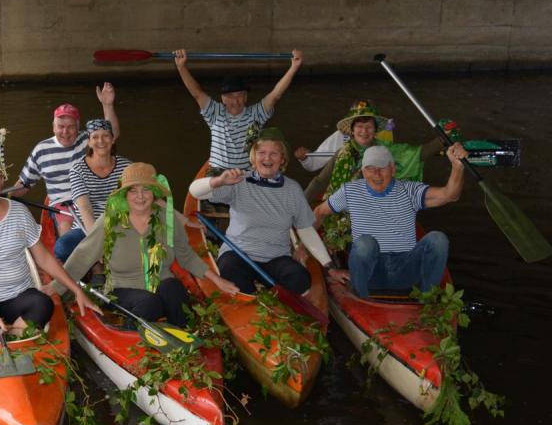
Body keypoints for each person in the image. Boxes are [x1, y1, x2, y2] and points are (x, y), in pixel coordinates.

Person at [0, 130, 98, 339]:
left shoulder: (19, 212)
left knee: (43, 305)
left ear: (3, 178)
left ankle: (12, 336)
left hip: (16, 295)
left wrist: (76, 289)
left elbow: (43, 258)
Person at [60, 163, 239, 328]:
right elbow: (83, 256)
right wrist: (56, 288)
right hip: (122, 288)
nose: (140, 196)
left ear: (154, 192)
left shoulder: (166, 217)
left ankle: (184, 335)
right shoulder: (110, 220)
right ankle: (131, 337)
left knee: (174, 287)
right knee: (149, 302)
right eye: (133, 190)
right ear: (124, 194)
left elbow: (186, 255)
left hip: (161, 283)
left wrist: (218, 280)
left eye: (146, 189)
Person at [188, 127, 334, 295]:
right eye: (261, 152)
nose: (267, 158)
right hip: (238, 254)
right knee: (231, 272)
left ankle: (271, 300)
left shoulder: (293, 189)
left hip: (276, 258)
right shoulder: (238, 181)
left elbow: (306, 229)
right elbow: (195, 191)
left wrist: (328, 266)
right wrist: (219, 181)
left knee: (300, 279)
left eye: (274, 153)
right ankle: (250, 300)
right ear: (253, 157)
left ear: (282, 159)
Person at [313, 143, 469, 298]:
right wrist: (325, 264)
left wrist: (457, 166)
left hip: (404, 270)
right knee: (365, 243)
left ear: (393, 169)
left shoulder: (410, 190)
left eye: (382, 167)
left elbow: (450, 195)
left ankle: (428, 299)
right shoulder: (349, 191)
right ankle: (360, 298)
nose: (376, 174)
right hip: (370, 273)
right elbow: (319, 212)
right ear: (363, 171)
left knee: (438, 239)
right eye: (370, 168)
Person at [300, 101, 444, 249]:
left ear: (375, 130)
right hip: (346, 211)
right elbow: (320, 181)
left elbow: (414, 155)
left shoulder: (386, 150)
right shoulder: (342, 154)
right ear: (352, 130)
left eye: (369, 126)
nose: (364, 131)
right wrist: (299, 205)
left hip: (380, 207)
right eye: (359, 126)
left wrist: (441, 140)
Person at [9, 83, 121, 236]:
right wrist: (5, 195)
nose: (65, 132)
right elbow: (24, 184)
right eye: (60, 126)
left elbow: (112, 134)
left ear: (78, 127)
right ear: (53, 127)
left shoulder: (87, 140)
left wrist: (107, 105)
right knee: (66, 229)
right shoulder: (41, 150)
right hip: (63, 204)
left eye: (70, 127)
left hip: (91, 197)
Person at [174, 48, 305, 172]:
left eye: (240, 95)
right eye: (230, 96)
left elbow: (275, 95)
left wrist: (294, 67)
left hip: (246, 173)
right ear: (223, 99)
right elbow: (197, 93)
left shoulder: (256, 114)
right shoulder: (215, 112)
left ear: (246, 97)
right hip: (218, 172)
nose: (236, 101)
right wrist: (181, 67)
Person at [55, 118, 131, 261]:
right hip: (87, 226)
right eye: (95, 137)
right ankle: (94, 264)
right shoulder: (77, 170)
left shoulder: (127, 167)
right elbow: (85, 209)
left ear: (112, 139)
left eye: (106, 136)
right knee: (62, 248)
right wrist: (98, 244)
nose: (101, 141)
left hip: (118, 224)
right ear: (89, 142)